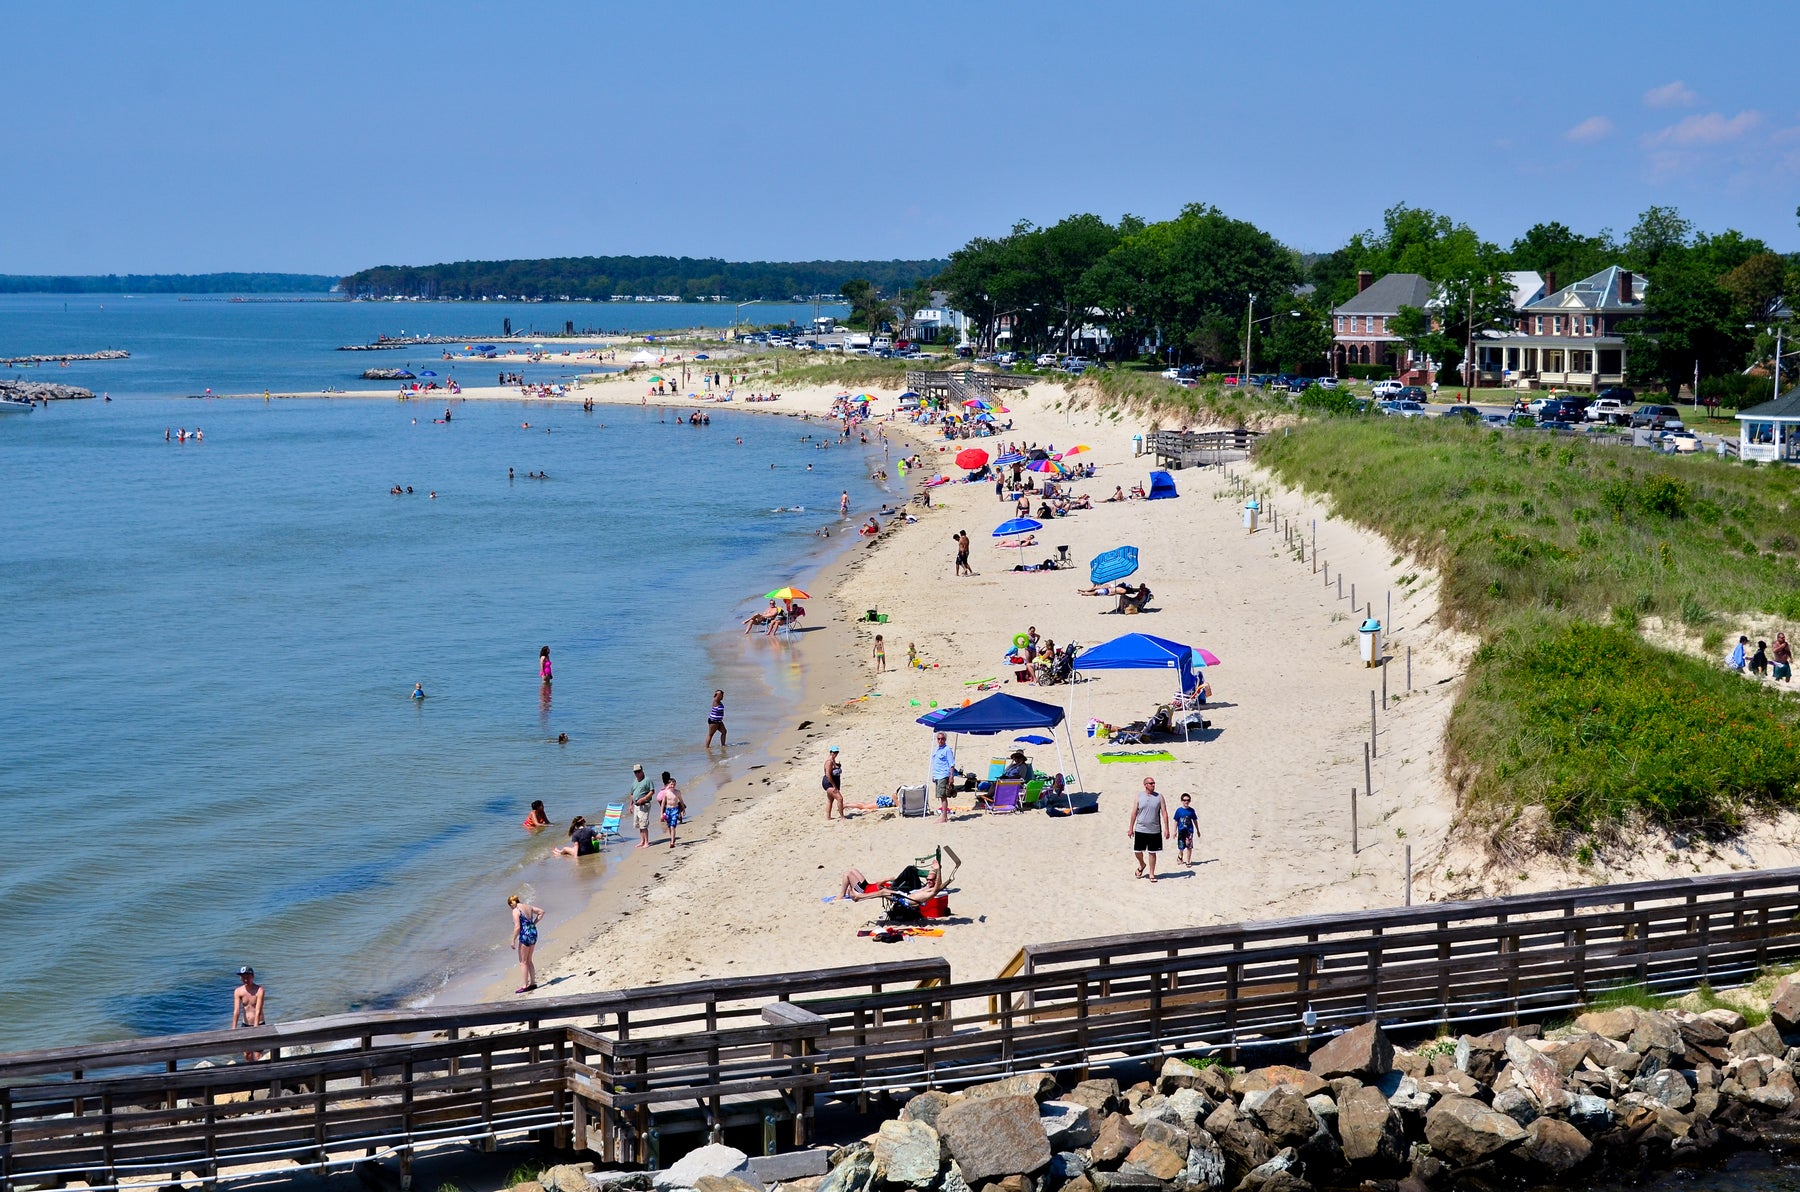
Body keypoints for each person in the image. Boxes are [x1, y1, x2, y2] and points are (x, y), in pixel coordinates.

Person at [1129, 776, 1172, 882]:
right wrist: (1131, 828)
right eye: (1151, 783)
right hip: (1140, 828)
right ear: (1145, 785)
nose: (1153, 785)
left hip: (1154, 829)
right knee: (1137, 851)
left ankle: (1151, 874)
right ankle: (1142, 864)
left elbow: (1164, 813)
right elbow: (1134, 813)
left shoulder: (1159, 797)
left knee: (1152, 852)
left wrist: (1167, 829)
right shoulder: (1139, 796)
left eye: (1154, 783)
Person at [507, 895, 543, 993]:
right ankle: (533, 983)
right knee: (529, 960)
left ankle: (524, 985)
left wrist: (513, 940)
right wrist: (534, 923)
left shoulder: (515, 911)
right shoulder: (528, 907)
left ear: (511, 904)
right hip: (533, 932)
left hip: (525, 935)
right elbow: (541, 912)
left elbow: (517, 927)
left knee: (523, 962)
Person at [231, 966, 266, 1061]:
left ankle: (260, 1071)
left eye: (247, 976)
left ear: (253, 976)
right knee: (247, 1054)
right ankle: (250, 1072)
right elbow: (236, 1011)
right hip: (245, 1024)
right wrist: (233, 1029)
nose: (245, 979)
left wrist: (255, 1027)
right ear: (240, 978)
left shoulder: (259, 990)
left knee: (258, 1055)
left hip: (259, 1024)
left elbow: (258, 1010)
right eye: (243, 977)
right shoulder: (238, 991)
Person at [929, 731, 956, 822]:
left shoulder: (947, 750)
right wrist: (934, 775)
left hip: (943, 775)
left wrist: (951, 776)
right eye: (939, 739)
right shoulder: (937, 749)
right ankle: (944, 816)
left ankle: (944, 816)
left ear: (945, 739)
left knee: (943, 796)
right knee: (941, 796)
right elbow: (936, 763)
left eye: (942, 739)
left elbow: (951, 764)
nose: (940, 740)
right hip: (937, 775)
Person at [629, 763, 656, 848]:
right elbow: (631, 794)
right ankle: (642, 841)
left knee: (644, 824)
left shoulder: (647, 780)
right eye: (635, 772)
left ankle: (646, 842)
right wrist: (630, 805)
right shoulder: (634, 781)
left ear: (642, 771)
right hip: (636, 805)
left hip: (644, 805)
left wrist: (643, 799)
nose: (637, 773)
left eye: (638, 771)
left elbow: (652, 791)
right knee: (639, 824)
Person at [657, 771, 686, 848]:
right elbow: (663, 804)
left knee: (673, 826)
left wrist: (683, 809)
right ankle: (672, 838)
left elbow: (681, 801)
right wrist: (661, 814)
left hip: (675, 810)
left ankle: (672, 842)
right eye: (671, 784)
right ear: (669, 784)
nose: (673, 786)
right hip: (668, 810)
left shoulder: (678, 792)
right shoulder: (666, 793)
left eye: (674, 784)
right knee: (670, 826)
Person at [1174, 793, 1199, 866]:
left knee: (1189, 846)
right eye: (1184, 800)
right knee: (1181, 846)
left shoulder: (1191, 811)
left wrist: (1198, 830)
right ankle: (1180, 855)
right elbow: (1176, 821)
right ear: (1182, 801)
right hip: (1181, 831)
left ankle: (1188, 861)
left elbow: (1195, 820)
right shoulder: (1179, 810)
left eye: (1188, 800)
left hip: (1189, 831)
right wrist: (1174, 831)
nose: (1186, 802)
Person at [822, 745, 845, 820]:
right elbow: (828, 774)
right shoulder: (829, 761)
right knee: (840, 798)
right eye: (834, 752)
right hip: (829, 783)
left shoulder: (833, 760)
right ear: (830, 752)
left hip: (832, 782)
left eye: (836, 752)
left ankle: (828, 817)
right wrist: (834, 786)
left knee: (830, 800)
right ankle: (842, 817)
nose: (835, 754)